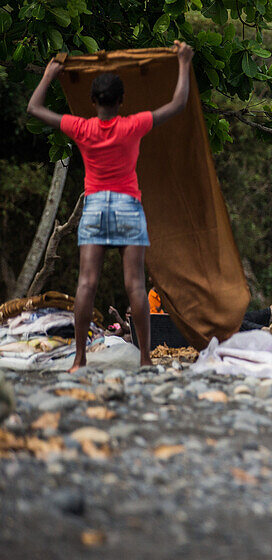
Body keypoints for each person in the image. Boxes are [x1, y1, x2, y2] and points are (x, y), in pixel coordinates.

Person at [27, 41, 194, 371]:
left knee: (86, 283)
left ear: (92, 102)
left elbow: (34, 108)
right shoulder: (132, 125)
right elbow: (178, 103)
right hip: (128, 207)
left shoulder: (82, 127)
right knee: (135, 285)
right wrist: (183, 62)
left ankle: (78, 360)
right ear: (121, 101)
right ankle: (145, 358)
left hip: (94, 208)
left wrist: (49, 75)